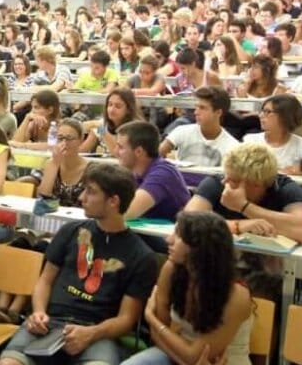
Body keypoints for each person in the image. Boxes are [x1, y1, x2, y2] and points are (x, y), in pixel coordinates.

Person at [0, 164, 158, 365]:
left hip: (97, 332)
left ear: (113, 201)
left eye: (91, 192)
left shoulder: (142, 256)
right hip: (50, 323)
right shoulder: (70, 231)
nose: (81, 198)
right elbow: (44, 282)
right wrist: (38, 311)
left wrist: (92, 334)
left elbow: (127, 319)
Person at [110, 211, 253, 365]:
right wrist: (187, 364)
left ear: (199, 248)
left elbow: (196, 354)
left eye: (178, 236)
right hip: (177, 353)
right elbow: (161, 340)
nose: (168, 239)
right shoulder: (172, 269)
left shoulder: (235, 295)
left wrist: (151, 318)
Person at [183, 142, 302, 242]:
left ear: (256, 183)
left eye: (234, 180)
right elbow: (187, 222)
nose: (225, 182)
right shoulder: (216, 182)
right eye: (226, 175)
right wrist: (238, 226)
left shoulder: (285, 188)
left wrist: (244, 207)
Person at [113, 121, 191, 251]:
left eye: (120, 147)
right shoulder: (133, 172)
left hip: (172, 243)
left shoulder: (163, 173)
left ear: (139, 151)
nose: (115, 152)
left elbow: (126, 212)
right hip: (148, 235)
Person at [159, 87, 240, 176]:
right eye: (196, 107)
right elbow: (156, 156)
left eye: (202, 108)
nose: (196, 112)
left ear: (218, 112)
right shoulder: (181, 131)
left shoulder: (233, 147)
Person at [243, 94, 302, 176]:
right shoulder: (250, 141)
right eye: (262, 111)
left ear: (286, 116)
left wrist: (299, 176)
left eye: (268, 112)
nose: (260, 115)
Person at [37, 118, 89, 206]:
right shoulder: (50, 163)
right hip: (53, 213)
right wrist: (55, 164)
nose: (64, 143)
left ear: (81, 140)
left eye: (69, 138)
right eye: (60, 138)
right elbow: (42, 198)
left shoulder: (90, 170)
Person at [81, 89, 137, 154]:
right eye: (110, 105)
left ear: (128, 110)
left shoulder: (135, 128)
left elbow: (118, 153)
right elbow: (82, 150)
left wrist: (101, 128)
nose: (111, 110)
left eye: (118, 106)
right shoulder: (102, 123)